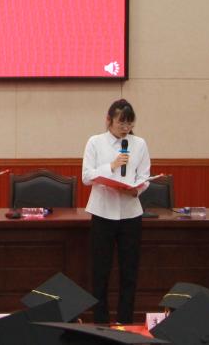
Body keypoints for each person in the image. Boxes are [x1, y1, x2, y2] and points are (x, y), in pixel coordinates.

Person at [81, 98, 150, 324]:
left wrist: (136, 189)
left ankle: (125, 322)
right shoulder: (95, 142)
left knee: (129, 271)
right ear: (109, 120)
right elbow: (86, 177)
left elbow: (144, 176)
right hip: (103, 213)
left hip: (130, 214)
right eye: (121, 122)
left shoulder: (139, 144)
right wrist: (111, 166)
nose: (125, 128)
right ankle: (100, 323)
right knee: (100, 272)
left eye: (129, 123)